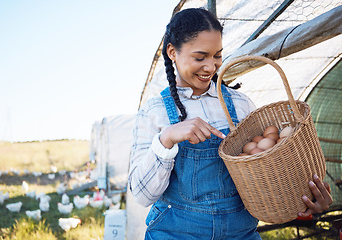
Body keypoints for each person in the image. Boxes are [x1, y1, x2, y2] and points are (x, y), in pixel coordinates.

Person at [128, 8, 333, 239]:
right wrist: (167, 139)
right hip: (177, 232)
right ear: (172, 52)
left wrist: (302, 198)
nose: (210, 67)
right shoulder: (154, 112)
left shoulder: (239, 104)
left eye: (217, 55)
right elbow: (142, 196)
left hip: (240, 232)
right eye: (200, 57)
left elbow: (262, 174)